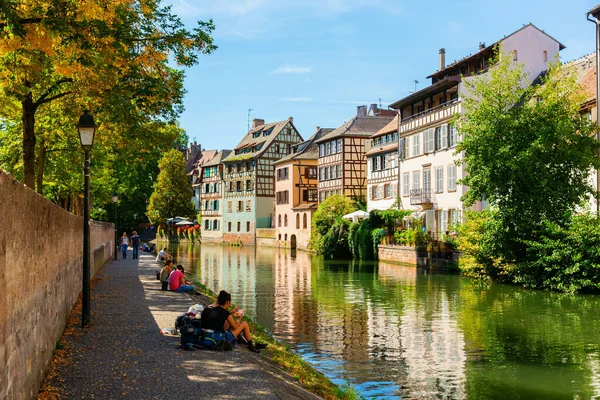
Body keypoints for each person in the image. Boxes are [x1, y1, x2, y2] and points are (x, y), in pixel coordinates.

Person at [201, 290, 267, 353]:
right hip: (220, 338)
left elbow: (220, 317)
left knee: (228, 324)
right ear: (227, 302)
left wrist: (231, 312)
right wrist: (240, 318)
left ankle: (244, 341)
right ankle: (251, 345)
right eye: (230, 302)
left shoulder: (210, 309)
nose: (230, 304)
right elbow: (235, 327)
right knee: (244, 324)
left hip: (208, 335)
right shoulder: (225, 313)